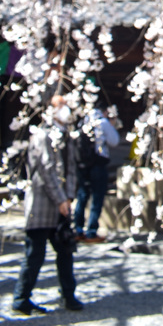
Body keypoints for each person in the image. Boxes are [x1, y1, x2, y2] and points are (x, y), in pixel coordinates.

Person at [13, 95, 83, 315]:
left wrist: (69, 196)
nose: (65, 110)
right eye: (60, 106)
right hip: (42, 205)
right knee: (35, 254)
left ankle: (68, 295)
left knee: (65, 250)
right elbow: (46, 169)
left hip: (61, 204)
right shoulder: (42, 135)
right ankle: (21, 298)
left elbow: (71, 168)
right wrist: (61, 199)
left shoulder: (67, 137)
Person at [73, 102, 120, 242]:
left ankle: (78, 229)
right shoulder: (103, 122)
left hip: (82, 164)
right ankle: (92, 231)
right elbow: (114, 141)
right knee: (97, 197)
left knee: (82, 196)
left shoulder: (83, 121)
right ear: (104, 111)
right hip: (98, 164)